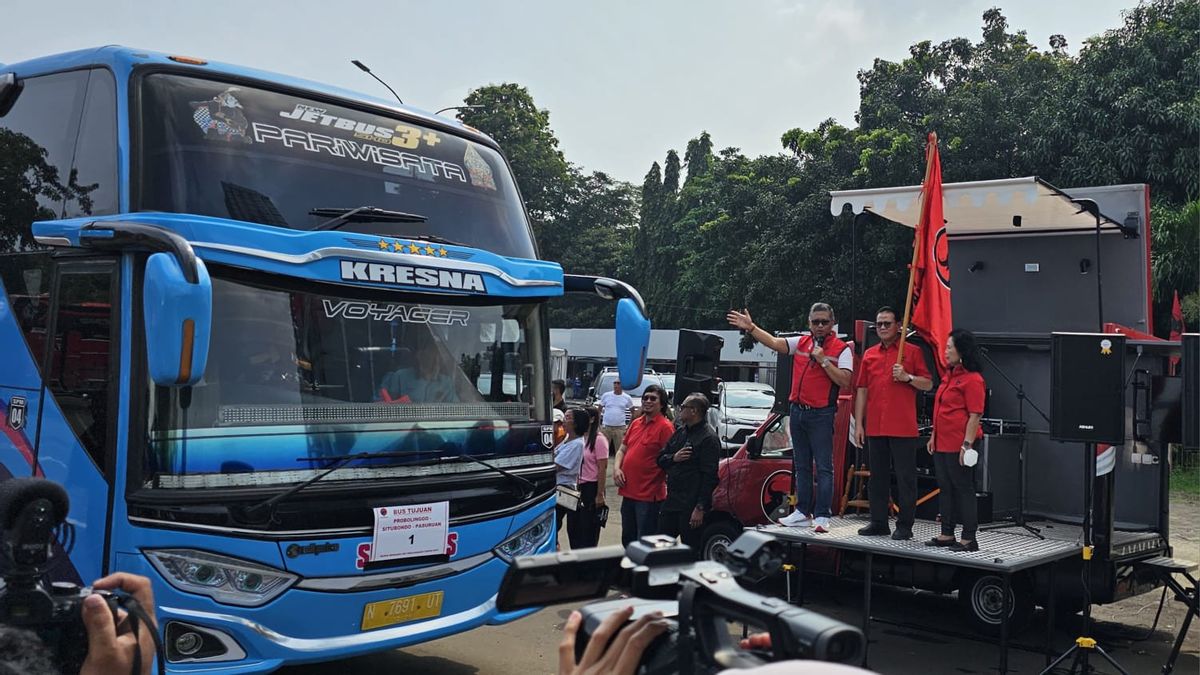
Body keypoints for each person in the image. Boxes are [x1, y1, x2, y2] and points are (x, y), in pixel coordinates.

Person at [727, 303, 852, 533]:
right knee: (801, 465)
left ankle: (823, 515)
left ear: (832, 323)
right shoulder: (802, 342)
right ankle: (803, 511)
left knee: (824, 467)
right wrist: (752, 327)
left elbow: (845, 381)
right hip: (797, 411)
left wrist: (824, 360)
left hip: (821, 413)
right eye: (816, 322)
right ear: (809, 323)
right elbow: (775, 343)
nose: (820, 326)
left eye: (825, 321)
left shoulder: (842, 349)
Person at [852, 307, 934, 540]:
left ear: (899, 326)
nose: (883, 328)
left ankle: (905, 525)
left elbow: (927, 384)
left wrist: (908, 377)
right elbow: (862, 390)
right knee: (877, 477)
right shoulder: (869, 354)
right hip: (876, 425)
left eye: (887, 323)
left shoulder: (912, 352)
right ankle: (878, 522)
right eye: (879, 324)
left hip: (902, 425)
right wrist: (859, 424)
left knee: (906, 477)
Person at [926, 329, 986, 552]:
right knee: (945, 486)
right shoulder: (949, 376)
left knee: (963, 488)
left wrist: (966, 445)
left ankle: (969, 537)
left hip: (960, 443)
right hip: (942, 442)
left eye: (949, 347)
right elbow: (940, 409)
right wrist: (933, 435)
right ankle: (947, 532)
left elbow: (974, 414)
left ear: (962, 351)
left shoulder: (973, 379)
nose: (945, 351)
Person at [655, 393, 720, 549]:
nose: (679, 410)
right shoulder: (680, 432)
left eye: (683, 407)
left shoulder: (708, 438)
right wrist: (674, 458)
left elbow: (710, 477)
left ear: (694, 411)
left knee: (691, 550)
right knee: (660, 547)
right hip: (672, 501)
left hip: (691, 505)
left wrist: (700, 508)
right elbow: (660, 459)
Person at [612, 384, 673, 546]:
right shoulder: (636, 423)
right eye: (645, 397)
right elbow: (621, 450)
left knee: (645, 543)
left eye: (653, 398)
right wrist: (616, 468)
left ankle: (642, 572)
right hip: (628, 493)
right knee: (627, 540)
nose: (647, 401)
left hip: (648, 497)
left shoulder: (666, 427)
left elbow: (669, 461)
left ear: (662, 404)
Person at [572, 406, 610, 548]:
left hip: (591, 487)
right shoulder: (579, 437)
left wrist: (600, 494)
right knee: (574, 528)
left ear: (592, 419)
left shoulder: (599, 440)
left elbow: (602, 468)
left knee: (588, 530)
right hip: (576, 487)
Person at [378, 338, 456, 403]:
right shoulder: (399, 377)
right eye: (433, 354)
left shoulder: (447, 383)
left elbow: (457, 412)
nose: (437, 360)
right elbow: (379, 406)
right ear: (420, 355)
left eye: (439, 355)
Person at [554, 408, 588, 548]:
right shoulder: (568, 439)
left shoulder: (577, 444)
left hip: (564, 488)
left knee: (556, 522)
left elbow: (557, 466)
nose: (564, 421)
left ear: (575, 424)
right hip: (558, 486)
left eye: (568, 418)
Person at [599, 379, 634, 453]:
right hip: (606, 427)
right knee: (603, 450)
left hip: (620, 428)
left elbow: (633, 413)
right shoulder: (606, 395)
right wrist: (599, 425)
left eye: (618, 383)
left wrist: (629, 426)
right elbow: (599, 410)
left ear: (622, 385)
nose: (616, 385)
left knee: (619, 451)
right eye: (614, 383)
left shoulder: (627, 397)